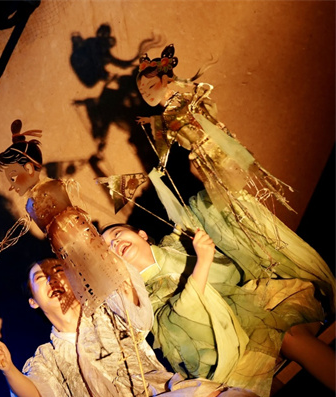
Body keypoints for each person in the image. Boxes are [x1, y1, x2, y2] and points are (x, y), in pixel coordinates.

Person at [0, 257, 328, 397]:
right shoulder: (48, 357)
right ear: (33, 300)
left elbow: (138, 314)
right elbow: (35, 396)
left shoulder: (106, 309)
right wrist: (8, 369)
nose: (51, 279)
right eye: (40, 278)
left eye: (57, 271)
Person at [133, 44, 336, 302]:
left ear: (164, 81)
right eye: (143, 92)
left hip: (213, 156)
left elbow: (192, 123)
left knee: (235, 205)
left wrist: (188, 138)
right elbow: (170, 128)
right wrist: (153, 124)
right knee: (228, 209)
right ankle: (256, 247)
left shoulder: (183, 104)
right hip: (204, 161)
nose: (147, 95)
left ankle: (263, 248)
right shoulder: (171, 110)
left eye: (150, 87)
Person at [100, 219, 334, 397]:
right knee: (244, 386)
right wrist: (202, 263)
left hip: (255, 307)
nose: (115, 243)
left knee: (288, 336)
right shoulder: (140, 299)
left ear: (141, 234)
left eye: (117, 234)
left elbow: (229, 274)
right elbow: (176, 325)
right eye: (108, 248)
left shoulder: (178, 243)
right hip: (220, 349)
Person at [0, 119, 152, 328]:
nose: (12, 186)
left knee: (114, 288)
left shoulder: (51, 188)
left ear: (29, 168)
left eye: (13, 177)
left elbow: (72, 226)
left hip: (83, 245)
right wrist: (1, 244)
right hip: (70, 256)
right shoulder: (31, 204)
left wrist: (90, 251)